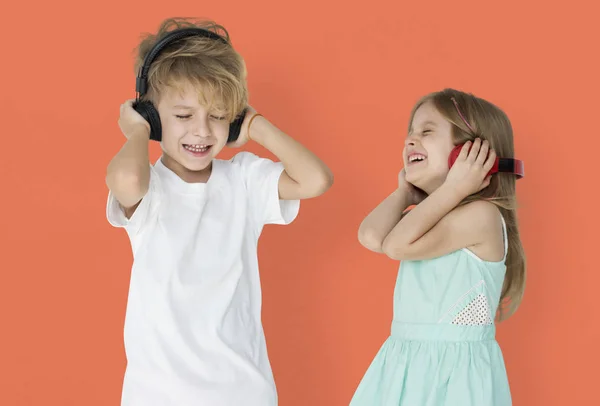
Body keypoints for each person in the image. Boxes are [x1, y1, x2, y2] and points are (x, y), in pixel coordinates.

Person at [105, 17, 333, 406]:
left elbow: (316, 180)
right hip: (158, 394)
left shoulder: (243, 179)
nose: (202, 131)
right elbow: (125, 181)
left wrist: (257, 126)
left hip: (242, 390)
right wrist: (138, 132)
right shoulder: (150, 187)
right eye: (182, 116)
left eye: (217, 115)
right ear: (154, 116)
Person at [349, 88, 526, 406]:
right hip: (407, 363)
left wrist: (456, 187)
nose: (410, 141)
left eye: (426, 131)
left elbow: (396, 247)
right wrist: (405, 192)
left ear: (469, 155)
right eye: (410, 133)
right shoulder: (434, 217)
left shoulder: (481, 216)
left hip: (452, 376)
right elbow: (371, 236)